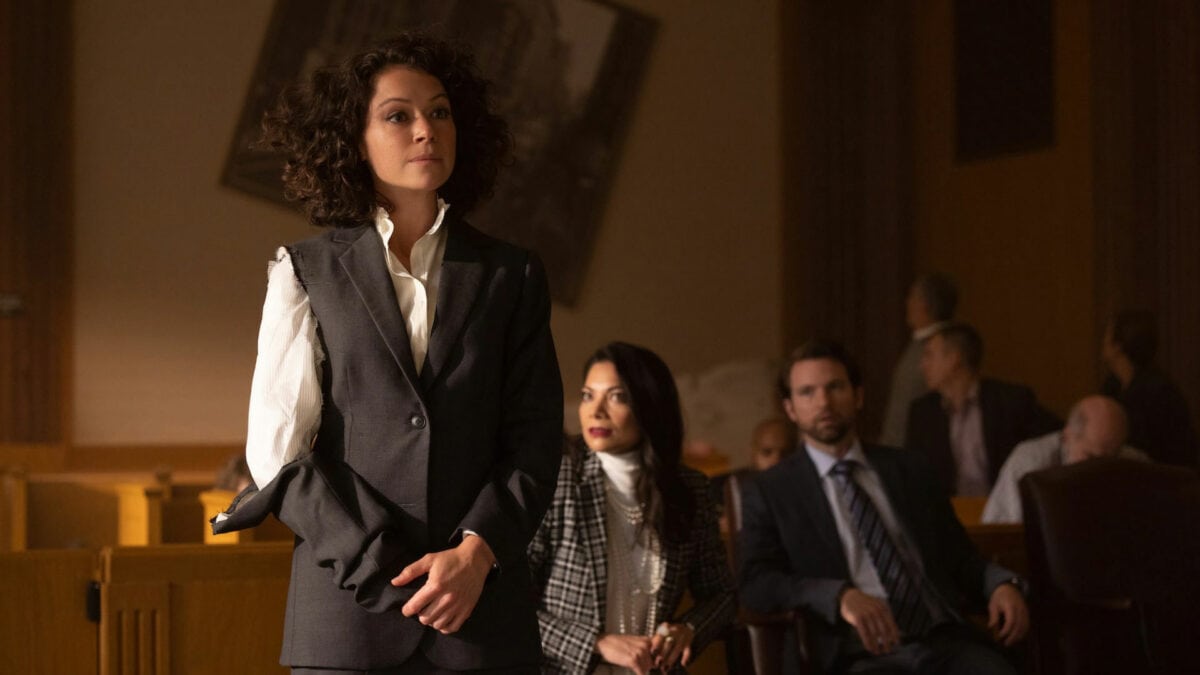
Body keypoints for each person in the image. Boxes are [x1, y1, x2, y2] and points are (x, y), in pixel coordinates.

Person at [212, 33, 563, 673]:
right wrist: (382, 566)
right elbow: (279, 454)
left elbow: (535, 441)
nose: (426, 129)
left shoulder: (512, 275)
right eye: (398, 116)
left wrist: (477, 553)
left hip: (482, 620)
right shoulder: (304, 270)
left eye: (440, 111)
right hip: (347, 620)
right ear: (354, 140)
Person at [739, 339, 1028, 675]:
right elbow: (756, 584)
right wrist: (838, 596)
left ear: (858, 396)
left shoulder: (909, 469)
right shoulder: (771, 490)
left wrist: (1001, 584)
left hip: (942, 641)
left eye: (835, 387)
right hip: (855, 654)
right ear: (790, 408)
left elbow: (960, 557)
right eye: (807, 392)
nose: (824, 402)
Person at [529, 342, 735, 675]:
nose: (596, 411)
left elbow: (721, 595)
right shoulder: (558, 479)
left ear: (649, 405)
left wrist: (688, 629)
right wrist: (596, 644)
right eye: (587, 395)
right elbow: (508, 603)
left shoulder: (689, 489)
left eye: (617, 397)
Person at [905, 322, 1059, 496]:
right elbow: (914, 476)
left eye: (929, 355)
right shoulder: (922, 413)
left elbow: (1058, 439)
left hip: (1003, 507)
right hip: (948, 510)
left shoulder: (1010, 402)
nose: (922, 365)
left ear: (954, 358)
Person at [982, 395, 1147, 524]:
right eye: (1091, 457)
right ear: (1067, 437)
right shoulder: (1029, 464)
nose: (1103, 469)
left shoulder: (1135, 464)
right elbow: (1003, 535)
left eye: (1113, 458)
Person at [1101, 309, 1199, 468]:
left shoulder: (1159, 393)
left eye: (1106, 335)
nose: (1103, 341)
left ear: (1118, 346)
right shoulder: (1112, 386)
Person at [879, 274, 958, 447]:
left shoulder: (939, 347)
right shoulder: (919, 344)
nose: (907, 303)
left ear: (924, 304)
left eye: (912, 297)